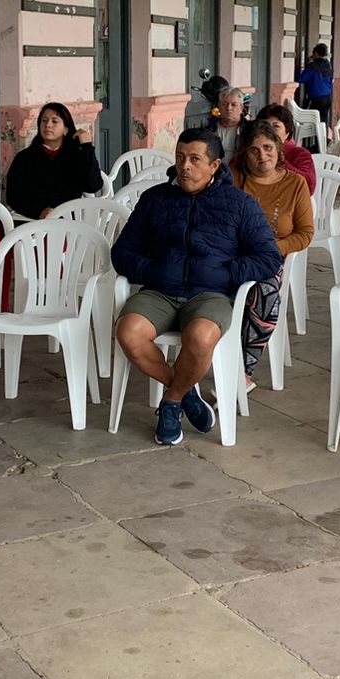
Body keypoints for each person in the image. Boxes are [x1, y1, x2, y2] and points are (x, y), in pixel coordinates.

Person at [112, 128, 282, 446]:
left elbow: (268, 257)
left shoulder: (240, 204)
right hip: (159, 291)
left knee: (200, 336)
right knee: (128, 332)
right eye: (180, 157)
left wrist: (226, 273)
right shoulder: (154, 200)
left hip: (211, 294)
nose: (185, 166)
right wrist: (155, 270)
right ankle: (185, 391)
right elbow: (121, 253)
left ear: (214, 165)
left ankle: (171, 401)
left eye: (194, 159)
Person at [233, 122, 314, 392]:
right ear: (244, 154)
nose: (262, 156)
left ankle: (242, 371)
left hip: (270, 258)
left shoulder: (295, 183)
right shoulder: (233, 179)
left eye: (268, 148)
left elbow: (305, 233)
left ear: (279, 150)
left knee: (264, 292)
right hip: (233, 255)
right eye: (254, 150)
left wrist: (273, 248)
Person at [4, 101, 104, 219]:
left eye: (54, 121)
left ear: (65, 129)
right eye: (44, 120)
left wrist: (87, 147)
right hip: (31, 222)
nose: (48, 125)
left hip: (68, 224)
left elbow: (93, 186)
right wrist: (39, 211)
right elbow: (13, 197)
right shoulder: (24, 158)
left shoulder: (76, 156)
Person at [247, 102, 317, 193]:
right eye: (265, 126)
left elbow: (308, 186)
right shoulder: (251, 150)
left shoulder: (299, 154)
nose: (270, 131)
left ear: (287, 133)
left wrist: (279, 161)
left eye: (276, 126)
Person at [296, 42, 334, 123]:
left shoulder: (313, 66)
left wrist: (296, 70)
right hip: (328, 98)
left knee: (311, 121)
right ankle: (323, 135)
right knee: (323, 122)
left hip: (317, 99)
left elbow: (301, 78)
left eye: (313, 53)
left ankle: (313, 136)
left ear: (316, 53)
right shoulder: (328, 65)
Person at [208, 85, 251, 157]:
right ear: (219, 107)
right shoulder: (210, 129)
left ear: (241, 108)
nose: (228, 108)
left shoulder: (248, 129)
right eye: (224, 104)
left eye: (234, 105)